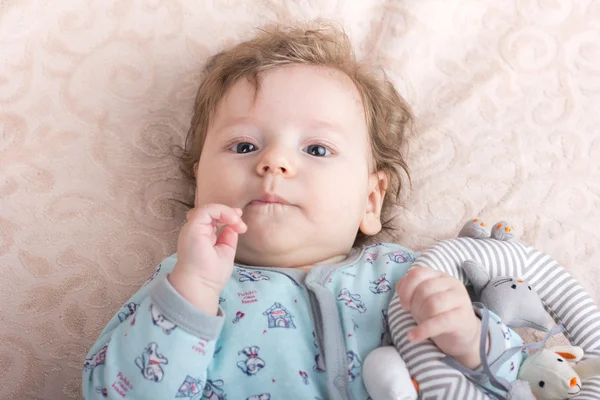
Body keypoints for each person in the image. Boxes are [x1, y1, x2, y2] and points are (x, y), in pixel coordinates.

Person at [82, 21, 523, 400]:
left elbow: (523, 377)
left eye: (316, 148)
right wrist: (192, 293)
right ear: (200, 185)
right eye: (244, 146)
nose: (274, 161)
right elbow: (113, 389)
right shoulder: (181, 288)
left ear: (371, 201)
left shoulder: (407, 277)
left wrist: (467, 337)